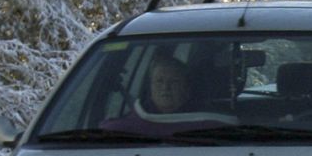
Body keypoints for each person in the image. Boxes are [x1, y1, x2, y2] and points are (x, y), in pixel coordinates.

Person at [101, 55, 235, 136]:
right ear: (150, 86)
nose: (165, 87)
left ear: (187, 88)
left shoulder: (213, 126)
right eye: (159, 81)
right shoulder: (123, 130)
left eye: (174, 81)